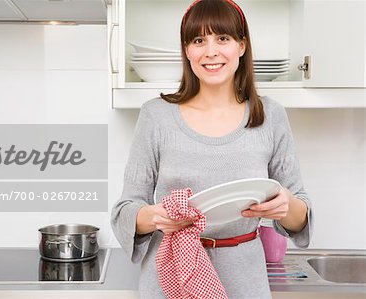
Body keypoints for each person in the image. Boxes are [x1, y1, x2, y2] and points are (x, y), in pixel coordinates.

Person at [111, 0, 313, 298]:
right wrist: (156, 217)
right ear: (187, 50)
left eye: (223, 38)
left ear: (241, 46)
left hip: (245, 280)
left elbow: (300, 214)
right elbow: (124, 211)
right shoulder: (156, 116)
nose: (210, 51)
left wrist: (285, 205)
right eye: (198, 40)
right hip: (171, 278)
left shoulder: (271, 116)